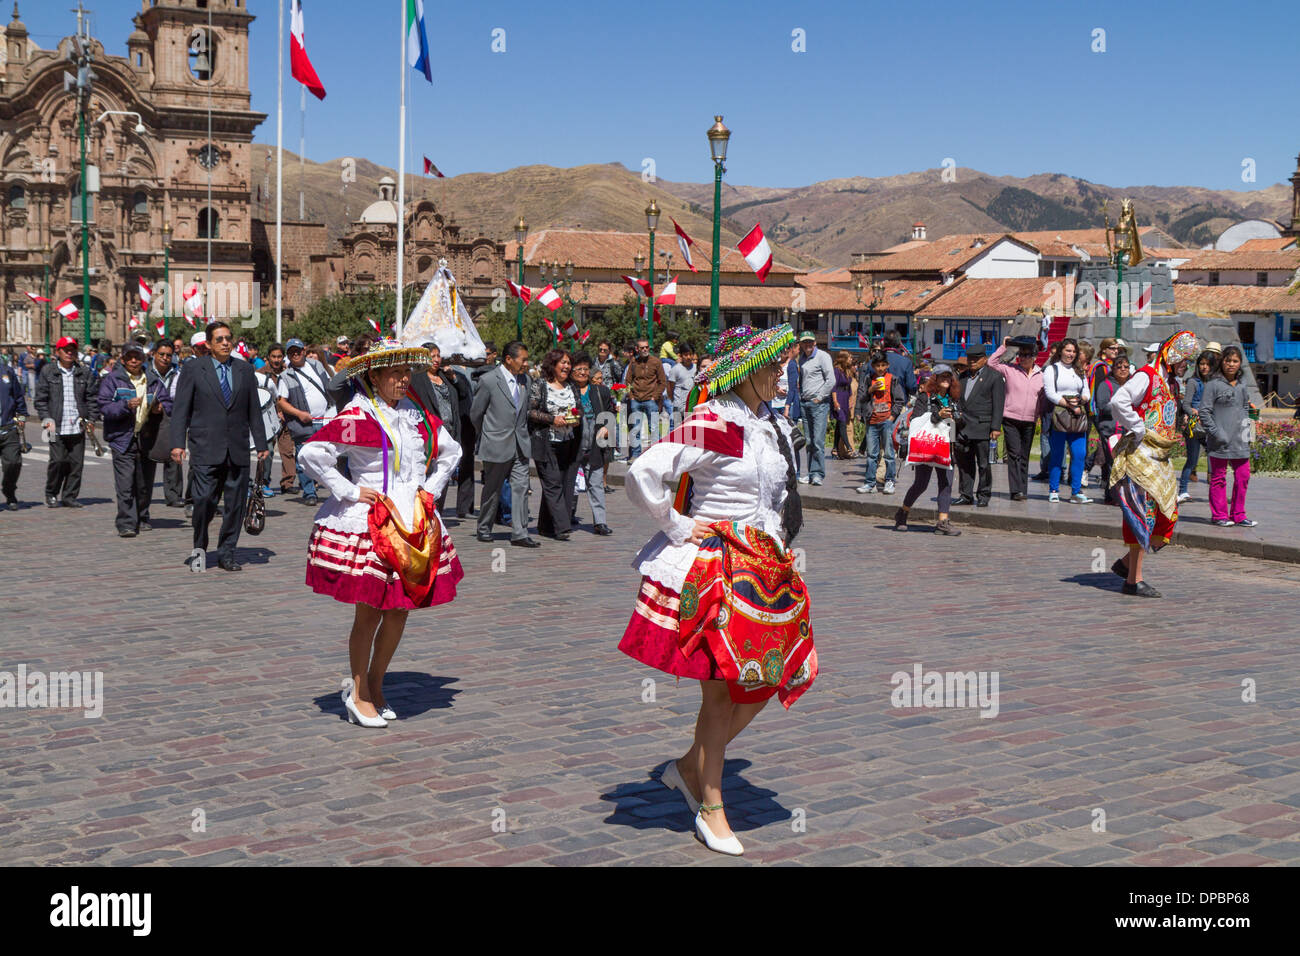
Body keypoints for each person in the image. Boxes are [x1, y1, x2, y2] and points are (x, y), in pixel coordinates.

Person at [619, 324, 816, 857]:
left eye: (784, 363)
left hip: (766, 566)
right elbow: (643, 471)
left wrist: (783, 549)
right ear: (746, 372)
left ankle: (688, 766)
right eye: (774, 364)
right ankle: (710, 806)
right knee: (721, 688)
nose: (783, 372)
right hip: (719, 569)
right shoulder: (717, 422)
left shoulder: (770, 424)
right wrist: (680, 526)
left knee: (775, 673)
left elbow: (776, 500)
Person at [299, 341, 463, 728]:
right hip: (374, 520)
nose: (404, 379)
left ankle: (376, 681)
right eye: (395, 373)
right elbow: (312, 454)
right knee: (369, 613)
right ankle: (358, 693)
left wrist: (431, 488)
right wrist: (350, 490)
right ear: (373, 376)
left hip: (414, 520)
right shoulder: (361, 414)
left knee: (399, 611)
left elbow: (451, 452)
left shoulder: (415, 414)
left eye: (407, 372)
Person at [170, 321, 270, 572]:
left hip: (237, 448)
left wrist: (261, 442)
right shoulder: (194, 369)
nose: (226, 343)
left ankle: (227, 552)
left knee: (235, 505)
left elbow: (253, 410)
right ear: (208, 344)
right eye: (219, 339)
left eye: (228, 338)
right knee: (203, 500)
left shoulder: (244, 370)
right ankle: (200, 549)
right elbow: (181, 409)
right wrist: (177, 444)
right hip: (205, 447)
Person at [1108, 330, 1199, 597]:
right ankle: (1133, 580)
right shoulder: (1146, 375)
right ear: (1171, 354)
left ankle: (1126, 564)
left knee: (1166, 515)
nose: (1186, 365)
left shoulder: (1172, 382)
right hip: (1142, 457)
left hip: (1161, 457)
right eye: (1183, 359)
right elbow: (1119, 401)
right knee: (1143, 514)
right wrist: (1137, 428)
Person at [98, 341, 172, 537]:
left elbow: (168, 402)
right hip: (122, 438)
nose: (133, 360)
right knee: (125, 483)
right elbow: (104, 406)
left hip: (148, 437)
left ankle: (142, 516)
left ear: (144, 358)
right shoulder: (113, 380)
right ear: (122, 359)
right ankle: (126, 522)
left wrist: (160, 408)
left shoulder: (152, 380)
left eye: (137, 356)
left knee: (144, 483)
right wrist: (125, 405)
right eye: (129, 357)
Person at [471, 340, 537, 547]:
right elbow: (476, 413)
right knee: (493, 488)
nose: (526, 364)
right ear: (509, 359)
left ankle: (519, 532)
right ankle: (484, 527)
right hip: (496, 443)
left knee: (521, 487)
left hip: (520, 444)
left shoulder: (525, 380)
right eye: (523, 360)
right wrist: (488, 434)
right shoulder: (490, 380)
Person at [893, 367, 962, 535]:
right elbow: (916, 420)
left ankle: (942, 522)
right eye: (942, 376)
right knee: (921, 484)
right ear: (935, 379)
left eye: (949, 376)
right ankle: (903, 513)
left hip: (947, 447)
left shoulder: (954, 399)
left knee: (946, 484)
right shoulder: (925, 398)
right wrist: (937, 415)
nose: (946, 379)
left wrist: (957, 418)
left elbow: (961, 423)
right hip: (927, 446)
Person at [35, 336, 97, 509]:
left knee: (76, 464)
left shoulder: (84, 372)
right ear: (58, 352)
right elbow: (40, 399)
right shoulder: (48, 371)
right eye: (66, 350)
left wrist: (91, 419)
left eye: (72, 350)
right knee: (58, 461)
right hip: (53, 424)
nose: (70, 353)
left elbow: (92, 398)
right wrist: (46, 419)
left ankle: (70, 496)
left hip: (77, 425)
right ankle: (52, 493)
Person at [1198, 345, 1255, 528]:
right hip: (1219, 442)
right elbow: (1204, 412)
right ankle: (1219, 515)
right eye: (1228, 360)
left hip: (1240, 441)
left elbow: (1246, 408)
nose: (1231, 364)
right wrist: (1217, 433)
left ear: (1240, 364)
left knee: (1243, 476)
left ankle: (1239, 514)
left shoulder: (1242, 385)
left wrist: (1249, 434)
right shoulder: (1212, 384)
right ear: (1222, 362)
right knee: (1218, 478)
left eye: (1235, 361)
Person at [528, 350, 581, 540]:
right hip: (545, 441)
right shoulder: (540, 385)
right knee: (552, 483)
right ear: (553, 364)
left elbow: (579, 409)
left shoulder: (571, 386)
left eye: (569, 363)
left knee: (558, 483)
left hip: (567, 442)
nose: (567, 366)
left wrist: (576, 419)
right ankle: (562, 527)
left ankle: (545, 526)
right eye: (563, 363)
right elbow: (531, 411)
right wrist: (552, 419)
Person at [277, 338, 335, 505]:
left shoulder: (316, 366)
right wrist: (299, 413)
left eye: (298, 350)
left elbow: (328, 386)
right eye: (291, 352)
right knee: (304, 458)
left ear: (303, 351)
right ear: (288, 355)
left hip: (325, 419)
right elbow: (281, 402)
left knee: (328, 457)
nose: (295, 354)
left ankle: (332, 489)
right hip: (303, 423)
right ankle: (309, 492)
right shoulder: (285, 376)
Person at [406, 343, 462, 515]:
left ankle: (437, 514)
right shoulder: (416, 379)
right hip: (428, 435)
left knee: (442, 476)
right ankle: (423, 513)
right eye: (432, 356)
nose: (437, 359)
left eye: (438, 355)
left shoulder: (445, 378)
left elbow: (465, 395)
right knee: (426, 475)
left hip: (449, 432)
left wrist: (454, 378)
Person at [988, 336, 1043, 501]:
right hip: (1010, 418)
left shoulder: (1042, 375)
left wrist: (1039, 416)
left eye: (1027, 355)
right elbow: (991, 363)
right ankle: (1015, 490)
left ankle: (1022, 489)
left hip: (1029, 420)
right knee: (1014, 454)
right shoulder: (1010, 370)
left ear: (1034, 357)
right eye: (1022, 355)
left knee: (1024, 456)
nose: (1024, 358)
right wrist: (1004, 346)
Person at [951, 345, 1005, 507]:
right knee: (964, 464)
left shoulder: (994, 377)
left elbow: (998, 403)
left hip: (982, 426)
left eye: (976, 359)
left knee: (983, 464)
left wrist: (996, 427)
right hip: (963, 427)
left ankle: (984, 494)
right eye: (970, 359)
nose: (972, 362)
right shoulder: (962, 377)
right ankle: (966, 494)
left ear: (984, 359)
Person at [570, 351, 614, 535]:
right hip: (573, 443)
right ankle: (568, 515)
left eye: (585, 369)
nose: (582, 372)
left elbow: (611, 412)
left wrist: (607, 426)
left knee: (595, 482)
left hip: (595, 442)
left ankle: (600, 522)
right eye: (578, 369)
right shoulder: (566, 390)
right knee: (570, 482)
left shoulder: (600, 390)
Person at [1043, 338, 1092, 504]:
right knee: (1057, 454)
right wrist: (1069, 405)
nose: (1070, 354)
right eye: (1067, 350)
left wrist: (1082, 400)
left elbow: (1086, 391)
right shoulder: (1052, 369)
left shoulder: (1079, 371)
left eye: (1073, 351)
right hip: (1060, 414)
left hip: (1078, 414)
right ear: (1061, 351)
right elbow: (1050, 393)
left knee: (1079, 454)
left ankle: (1076, 491)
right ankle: (1054, 489)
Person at [854, 351, 904, 494]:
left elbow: (899, 400)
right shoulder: (869, 379)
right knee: (871, 455)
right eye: (877, 366)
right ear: (873, 366)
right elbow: (862, 397)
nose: (880, 368)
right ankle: (870, 483)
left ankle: (889, 481)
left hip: (886, 421)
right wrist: (870, 390)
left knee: (889, 453)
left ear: (887, 365)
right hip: (872, 420)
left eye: (883, 365)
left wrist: (892, 418)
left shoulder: (892, 379)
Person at [145, 340, 185, 508]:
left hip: (171, 418)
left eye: (169, 355)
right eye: (161, 354)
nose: (165, 358)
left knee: (173, 457)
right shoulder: (145, 373)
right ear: (154, 354)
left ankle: (174, 495)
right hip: (149, 420)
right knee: (148, 458)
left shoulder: (177, 374)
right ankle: (144, 494)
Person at [1178, 350, 1218, 502]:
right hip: (1195, 423)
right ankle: (1183, 491)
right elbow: (1186, 404)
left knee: (1215, 457)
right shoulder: (1194, 382)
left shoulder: (1215, 383)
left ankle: (1216, 490)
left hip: (1210, 423)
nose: (1204, 367)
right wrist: (1194, 413)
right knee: (1192, 459)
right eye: (1201, 364)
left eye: (1207, 364)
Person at [1093, 353, 1132, 505]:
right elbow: (1103, 406)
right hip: (1111, 430)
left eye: (1126, 367)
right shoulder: (1105, 384)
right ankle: (1112, 495)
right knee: (1113, 464)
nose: (1123, 369)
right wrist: (1121, 406)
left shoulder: (1132, 384)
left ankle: (1124, 494)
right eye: (1119, 366)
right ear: (1113, 369)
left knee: (1127, 464)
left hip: (1128, 430)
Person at [796, 331, 834, 486]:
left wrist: (819, 397)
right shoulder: (802, 359)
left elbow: (831, 380)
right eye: (804, 342)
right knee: (810, 441)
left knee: (818, 440)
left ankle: (818, 473)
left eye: (810, 342)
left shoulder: (823, 357)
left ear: (815, 342)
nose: (807, 345)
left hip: (818, 404)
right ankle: (811, 473)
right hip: (805, 403)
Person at [625, 338, 667, 460]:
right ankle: (635, 454)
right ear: (637, 349)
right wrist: (631, 397)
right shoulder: (633, 362)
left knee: (654, 428)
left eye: (646, 347)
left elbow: (662, 382)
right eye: (642, 347)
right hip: (636, 400)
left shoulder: (656, 362)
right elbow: (628, 381)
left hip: (651, 400)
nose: (645, 349)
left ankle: (655, 454)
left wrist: (655, 396)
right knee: (635, 429)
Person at [0, 357, 25, 509]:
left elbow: (18, 395)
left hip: (8, 426)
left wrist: (21, 414)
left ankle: (9, 491)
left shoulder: (6, 371)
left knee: (13, 462)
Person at [666, 342, 698, 430]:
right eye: (685, 354)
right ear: (681, 355)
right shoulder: (675, 369)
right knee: (678, 431)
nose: (688, 357)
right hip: (679, 407)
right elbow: (670, 388)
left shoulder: (696, 368)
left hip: (692, 406)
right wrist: (674, 401)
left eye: (690, 354)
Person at [831, 351, 856, 460]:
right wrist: (835, 401)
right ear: (843, 359)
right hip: (838, 397)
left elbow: (849, 387)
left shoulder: (847, 371)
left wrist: (850, 398)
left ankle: (835, 449)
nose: (851, 360)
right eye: (849, 358)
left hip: (845, 397)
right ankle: (849, 447)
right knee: (841, 422)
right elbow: (833, 387)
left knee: (839, 425)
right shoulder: (836, 371)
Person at [881, 329, 918, 397]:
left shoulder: (873, 361)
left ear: (884, 343)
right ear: (899, 344)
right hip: (899, 403)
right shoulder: (906, 362)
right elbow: (912, 387)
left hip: (877, 404)